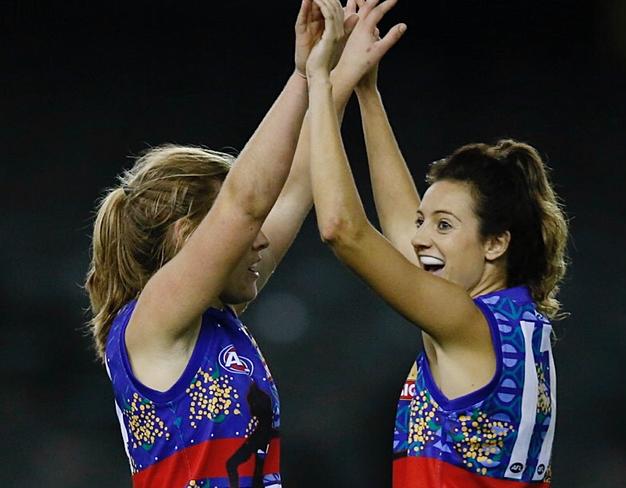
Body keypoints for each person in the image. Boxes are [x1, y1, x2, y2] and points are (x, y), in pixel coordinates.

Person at [84, 1, 404, 486]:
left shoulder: (211, 316)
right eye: (237, 231)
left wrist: (333, 79)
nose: (260, 241)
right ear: (189, 236)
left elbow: (293, 187)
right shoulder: (151, 322)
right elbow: (247, 204)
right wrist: (300, 77)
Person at [305, 0, 568, 485]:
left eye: (444, 225)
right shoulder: (516, 324)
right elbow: (409, 235)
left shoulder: (468, 324)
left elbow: (342, 229)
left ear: (495, 244)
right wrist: (367, 90)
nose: (421, 237)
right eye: (426, 221)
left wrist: (321, 83)